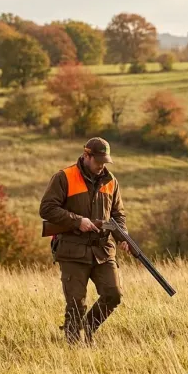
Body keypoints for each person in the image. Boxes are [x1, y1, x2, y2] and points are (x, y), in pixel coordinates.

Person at [39, 137, 130, 345]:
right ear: (86, 155)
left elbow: (118, 215)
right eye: (98, 161)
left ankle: (87, 329)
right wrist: (77, 221)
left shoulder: (111, 181)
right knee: (75, 303)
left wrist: (122, 237)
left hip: (103, 250)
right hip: (72, 250)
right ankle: (73, 347)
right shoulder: (64, 177)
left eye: (105, 161)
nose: (101, 166)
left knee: (113, 294)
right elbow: (47, 209)